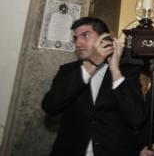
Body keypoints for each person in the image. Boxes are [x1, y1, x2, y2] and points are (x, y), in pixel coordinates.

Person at [42, 17, 145, 156]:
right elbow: (50, 105)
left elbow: (136, 117)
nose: (78, 43)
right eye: (75, 38)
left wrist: (115, 70)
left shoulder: (127, 71)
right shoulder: (68, 71)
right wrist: (91, 64)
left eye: (86, 35)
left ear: (104, 40)